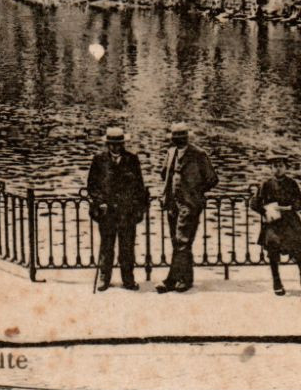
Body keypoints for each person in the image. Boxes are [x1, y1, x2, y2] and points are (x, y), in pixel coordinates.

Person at [86, 127, 150, 291]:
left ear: (123, 143)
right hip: (106, 213)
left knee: (127, 247)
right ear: (107, 144)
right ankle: (104, 278)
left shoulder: (132, 159)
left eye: (118, 144)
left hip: (126, 212)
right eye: (112, 144)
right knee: (107, 246)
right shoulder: (99, 160)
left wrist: (138, 208)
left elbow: (139, 187)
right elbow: (92, 186)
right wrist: (100, 202)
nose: (115, 147)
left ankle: (128, 279)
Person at [157, 122, 217, 294]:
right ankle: (183, 278)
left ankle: (176, 279)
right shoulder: (170, 152)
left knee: (183, 241)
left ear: (187, 138)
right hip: (172, 204)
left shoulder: (199, 154)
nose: (178, 140)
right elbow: (164, 174)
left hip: (190, 205)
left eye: (182, 137)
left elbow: (212, 179)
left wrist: (195, 192)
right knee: (177, 242)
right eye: (175, 138)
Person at [250, 153, 301, 295]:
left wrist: (290, 207)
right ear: (271, 168)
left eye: (281, 166)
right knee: (272, 245)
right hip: (274, 223)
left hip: (290, 221)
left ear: (286, 168)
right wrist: (265, 211)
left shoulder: (292, 183)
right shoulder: (266, 184)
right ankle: (277, 282)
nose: (278, 169)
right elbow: (254, 203)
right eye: (274, 166)